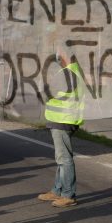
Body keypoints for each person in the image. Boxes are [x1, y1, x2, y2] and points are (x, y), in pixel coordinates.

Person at [37, 54, 85, 208]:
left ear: (67, 56)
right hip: (65, 119)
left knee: (64, 159)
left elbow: (46, 94)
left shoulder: (66, 73)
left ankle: (68, 195)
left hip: (62, 120)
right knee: (61, 158)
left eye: (60, 54)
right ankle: (57, 190)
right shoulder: (74, 72)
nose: (57, 57)